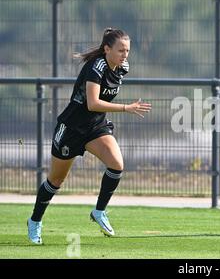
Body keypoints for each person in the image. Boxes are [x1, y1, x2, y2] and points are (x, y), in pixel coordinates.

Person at [27, 28, 152, 244]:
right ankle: (35, 222)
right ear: (107, 49)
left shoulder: (123, 68)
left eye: (128, 50)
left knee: (116, 164)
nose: (125, 55)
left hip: (95, 127)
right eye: (121, 50)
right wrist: (126, 108)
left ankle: (99, 212)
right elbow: (92, 103)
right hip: (71, 129)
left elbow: (98, 108)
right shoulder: (96, 66)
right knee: (55, 181)